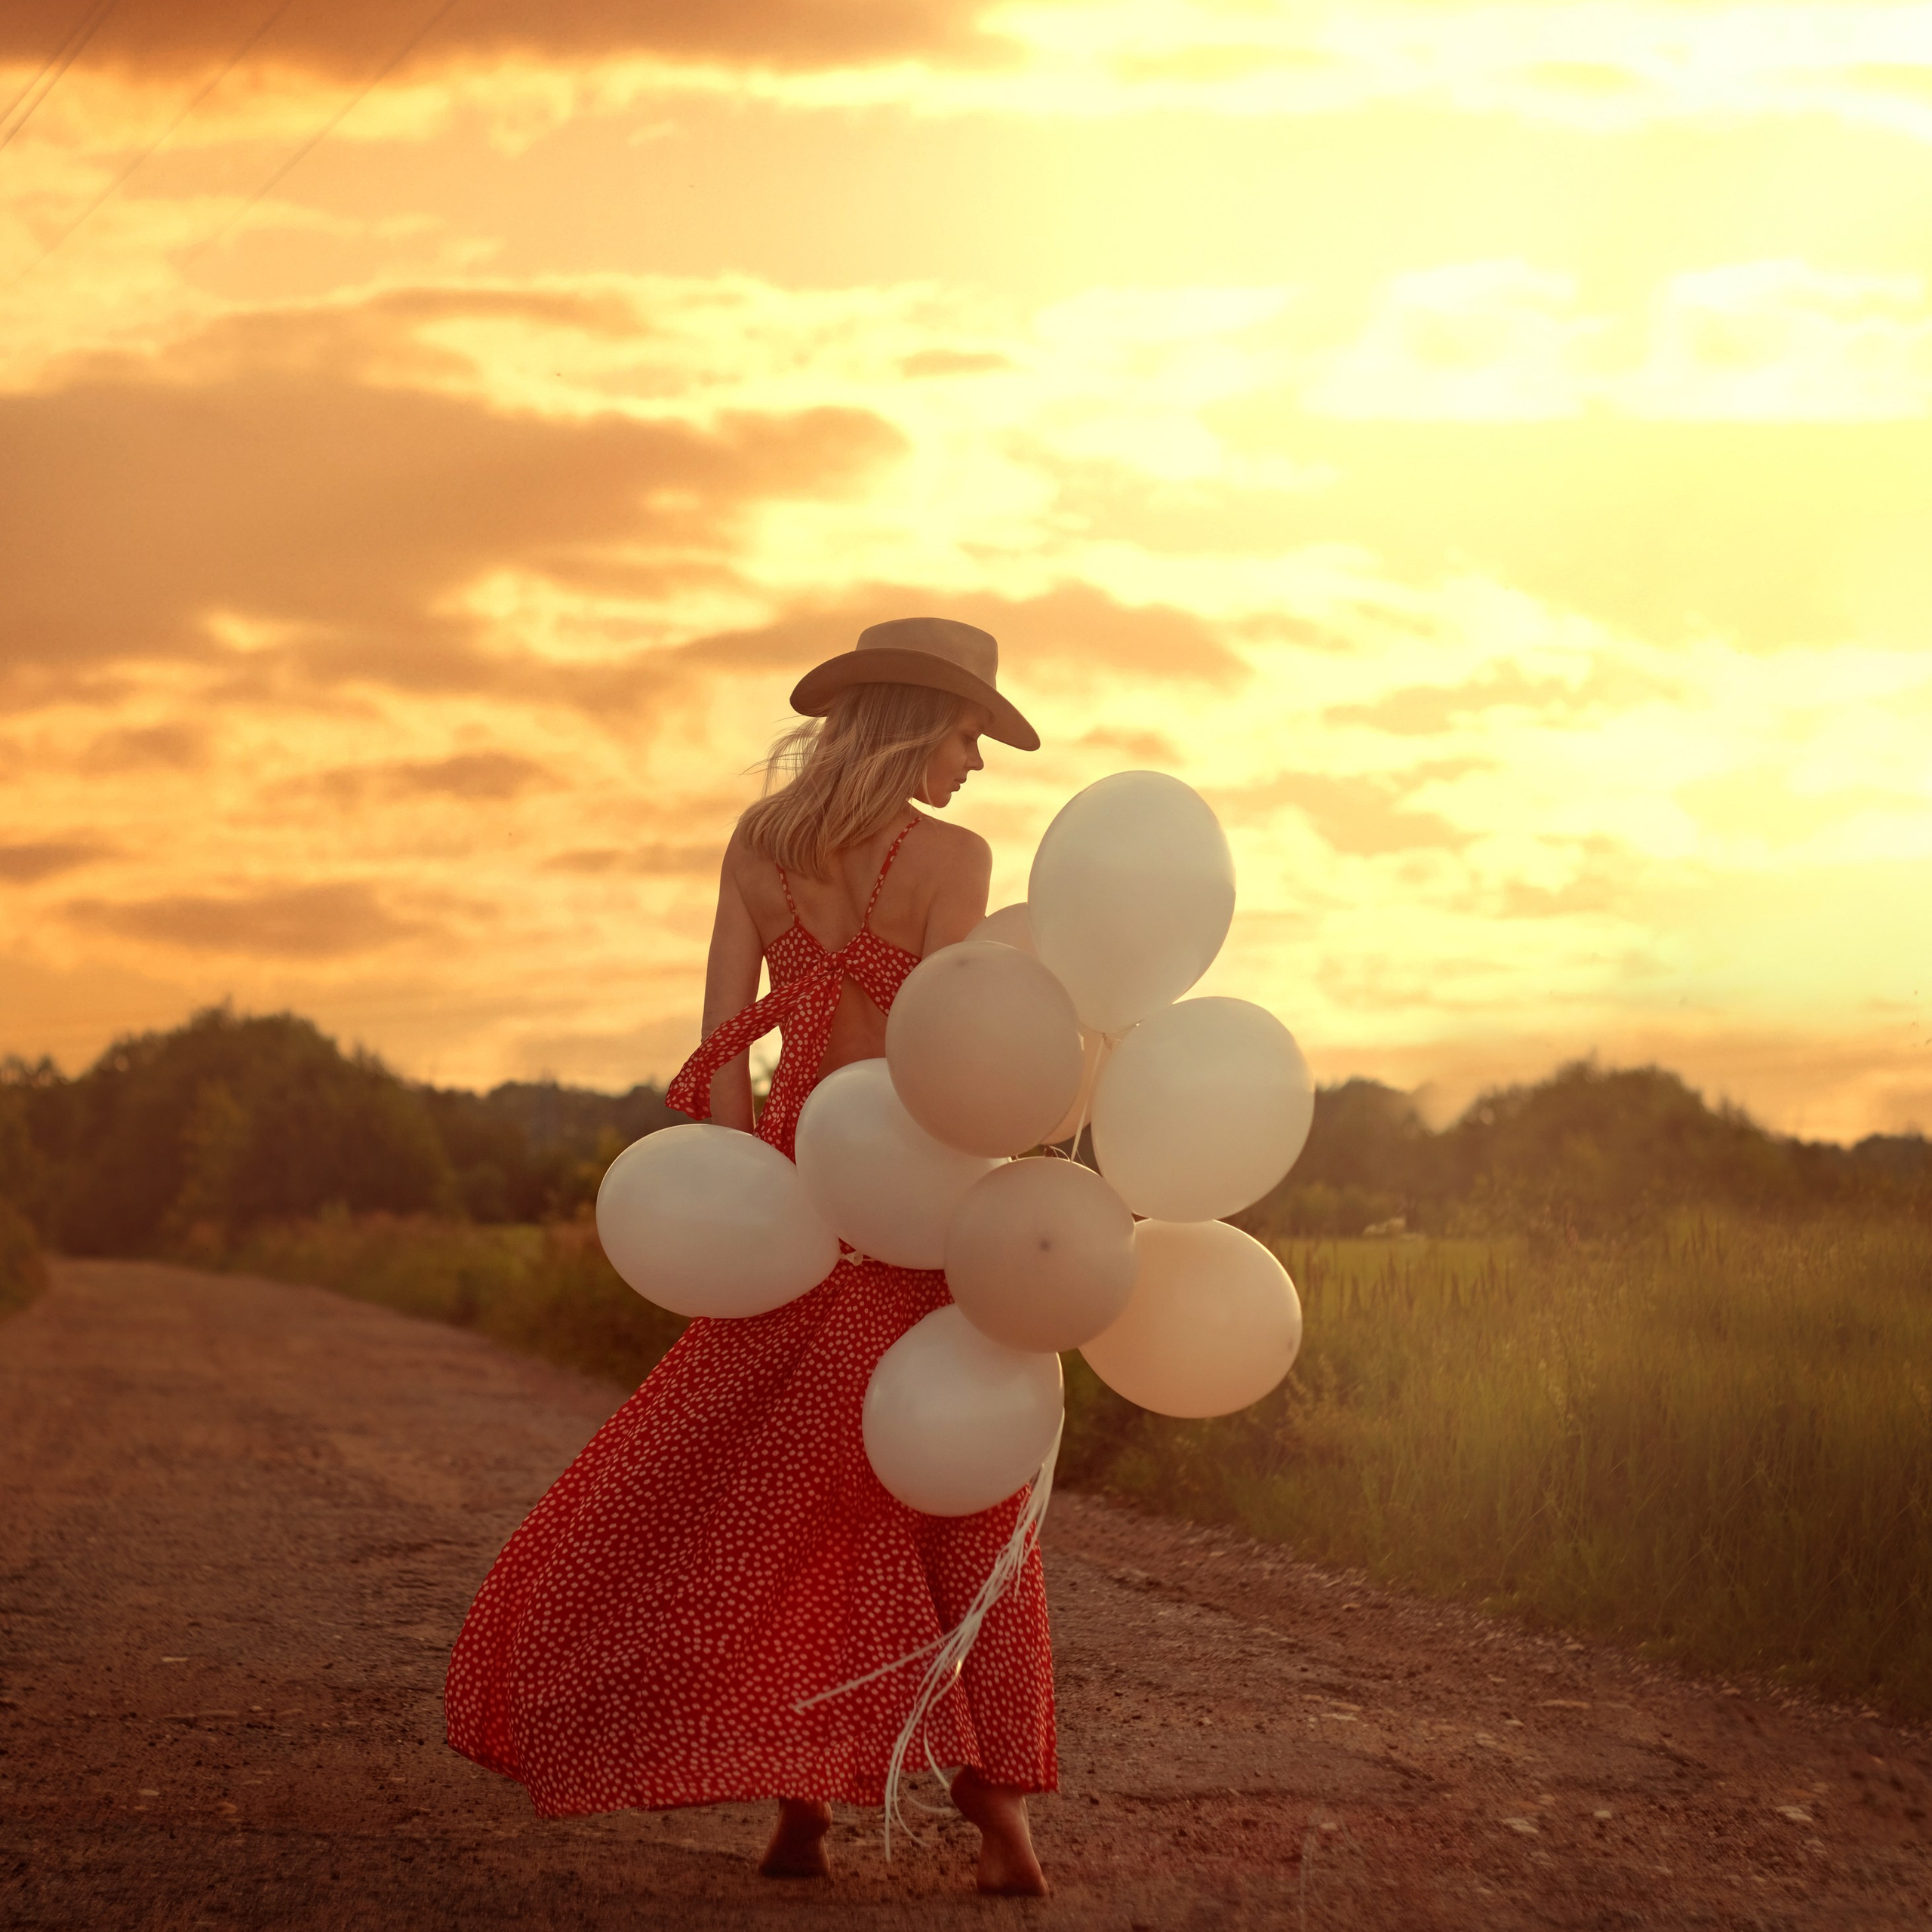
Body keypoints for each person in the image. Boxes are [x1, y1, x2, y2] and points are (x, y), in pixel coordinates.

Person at [445, 617, 1056, 1896]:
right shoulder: (954, 859)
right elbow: (950, 1059)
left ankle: (804, 1814)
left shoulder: (762, 846)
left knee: (789, 1498)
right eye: (965, 735)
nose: (976, 764)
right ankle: (999, 1818)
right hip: (915, 1197)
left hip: (790, 1191)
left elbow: (720, 1039)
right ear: (909, 723)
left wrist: (757, 1186)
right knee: (956, 1487)